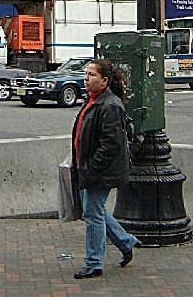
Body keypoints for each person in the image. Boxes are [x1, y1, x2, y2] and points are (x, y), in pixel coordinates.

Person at [71, 59, 140, 280]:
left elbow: (111, 144)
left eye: (91, 75)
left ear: (105, 81)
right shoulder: (93, 100)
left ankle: (93, 263)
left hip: (100, 171)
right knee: (94, 209)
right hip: (88, 167)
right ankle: (125, 241)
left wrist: (92, 169)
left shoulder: (110, 105)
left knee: (92, 213)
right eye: (86, 74)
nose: (86, 78)